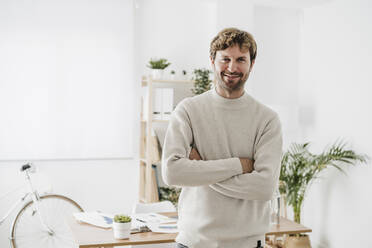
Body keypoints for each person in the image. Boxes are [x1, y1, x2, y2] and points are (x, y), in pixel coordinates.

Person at [161, 27, 283, 248]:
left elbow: (264, 188)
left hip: (248, 244)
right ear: (212, 61)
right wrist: (239, 165)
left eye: (240, 60)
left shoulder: (267, 119)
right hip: (193, 243)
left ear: (251, 64)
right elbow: (172, 172)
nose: (232, 67)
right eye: (225, 59)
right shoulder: (188, 111)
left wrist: (201, 169)